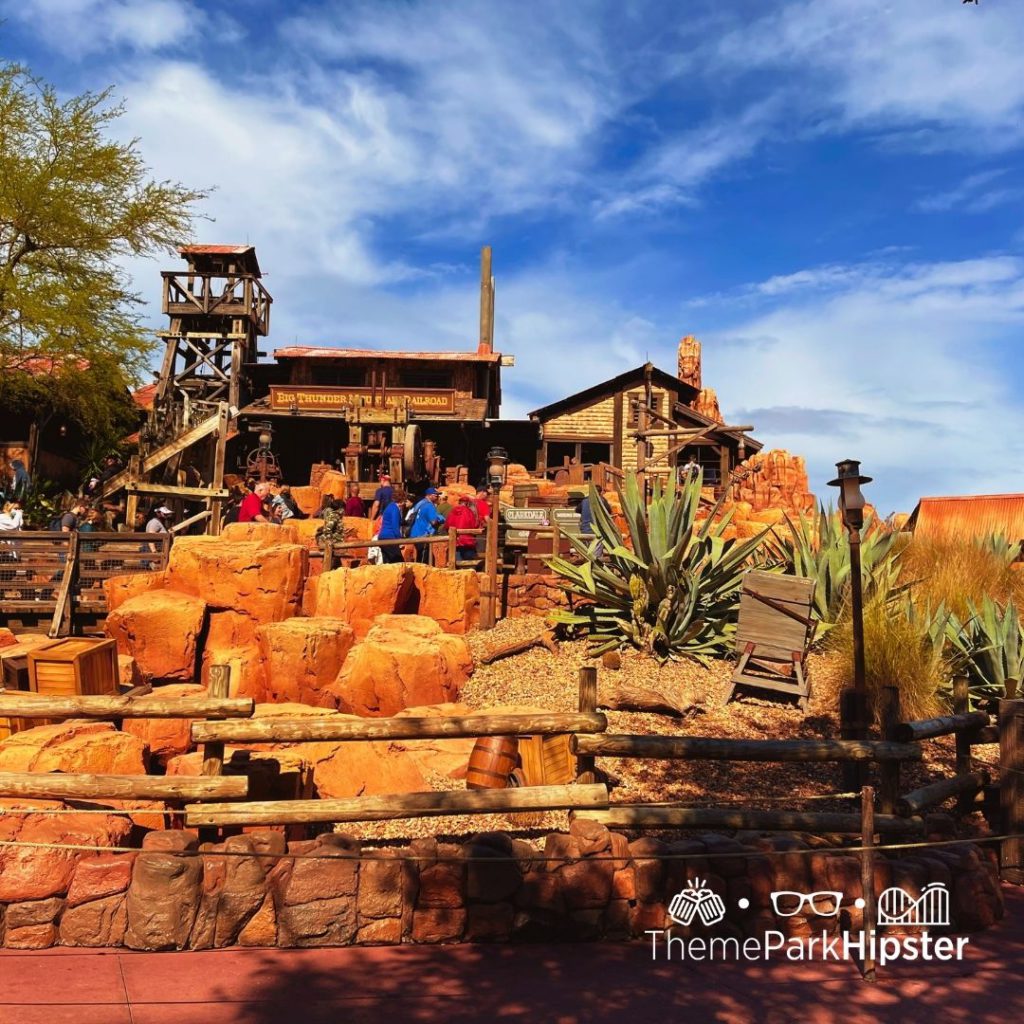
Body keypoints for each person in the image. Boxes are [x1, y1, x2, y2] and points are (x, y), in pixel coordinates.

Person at [408, 487, 445, 564]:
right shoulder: (429, 506)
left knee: (424, 557)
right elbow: (433, 522)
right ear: (429, 495)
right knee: (423, 560)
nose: (438, 497)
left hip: (416, 534)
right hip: (423, 535)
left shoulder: (421, 503)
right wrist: (441, 519)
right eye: (436, 495)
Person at [446, 494, 480, 566]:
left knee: (456, 564)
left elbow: (447, 525)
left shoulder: (452, 511)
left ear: (459, 502)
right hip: (468, 542)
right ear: (467, 503)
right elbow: (475, 525)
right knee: (468, 565)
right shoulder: (469, 512)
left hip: (455, 541)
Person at [377, 491, 404, 563]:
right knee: (398, 562)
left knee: (387, 563)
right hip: (390, 538)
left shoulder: (389, 506)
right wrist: (400, 540)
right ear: (402, 500)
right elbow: (395, 526)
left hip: (382, 537)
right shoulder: (395, 509)